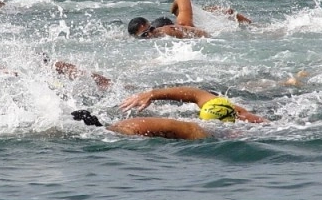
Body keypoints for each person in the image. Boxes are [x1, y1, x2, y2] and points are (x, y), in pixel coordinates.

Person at [72, 86, 265, 139]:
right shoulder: (242, 114)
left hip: (211, 133)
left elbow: (195, 93)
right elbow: (195, 93)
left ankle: (109, 129)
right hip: (221, 129)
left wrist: (153, 94)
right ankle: (110, 129)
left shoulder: (210, 117)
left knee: (177, 127)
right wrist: (152, 94)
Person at [128, 0, 250, 39]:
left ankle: (252, 25)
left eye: (151, 29)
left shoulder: (181, 24)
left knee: (227, 13)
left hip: (208, 31)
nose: (150, 34)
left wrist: (174, 9)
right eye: (144, 35)